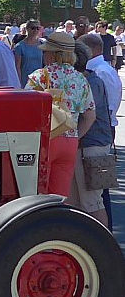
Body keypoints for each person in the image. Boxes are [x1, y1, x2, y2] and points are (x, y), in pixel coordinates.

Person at [26, 30, 95, 198]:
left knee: (37, 196)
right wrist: (76, 137)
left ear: (52, 54)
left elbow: (26, 109)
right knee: (59, 198)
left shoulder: (41, 76)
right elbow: (90, 116)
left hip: (45, 141)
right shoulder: (81, 79)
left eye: (45, 51)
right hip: (70, 142)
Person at [73, 35, 116, 224]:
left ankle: (103, 248)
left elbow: (91, 114)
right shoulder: (100, 73)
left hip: (93, 144)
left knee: (92, 202)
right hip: (97, 141)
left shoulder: (95, 77)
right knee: (89, 201)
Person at [14, 20, 45, 84]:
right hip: (25, 80)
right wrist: (18, 83)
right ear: (27, 29)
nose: (35, 30)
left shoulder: (42, 45)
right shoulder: (20, 46)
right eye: (33, 28)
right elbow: (17, 67)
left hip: (39, 80)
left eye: (38, 28)